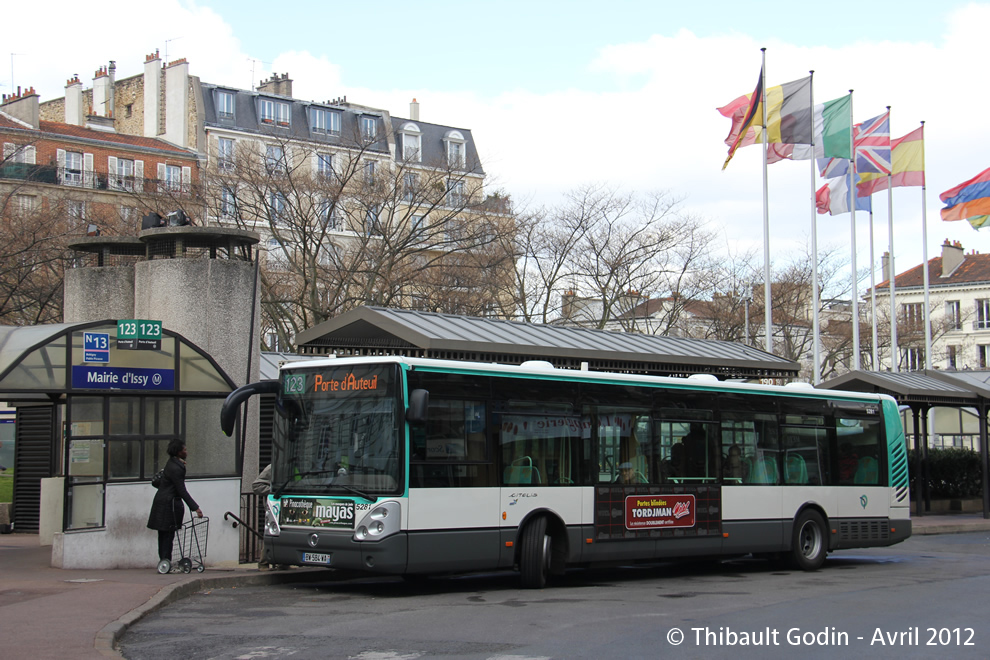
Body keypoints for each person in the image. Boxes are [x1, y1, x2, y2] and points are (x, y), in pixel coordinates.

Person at [147, 439, 203, 572]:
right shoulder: (176, 468)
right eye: (184, 450)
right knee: (167, 534)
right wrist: (195, 507)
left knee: (164, 534)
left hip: (163, 502)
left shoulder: (172, 464)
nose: (186, 452)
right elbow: (181, 489)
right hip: (168, 505)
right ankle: (165, 561)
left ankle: (165, 560)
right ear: (178, 452)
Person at [252, 464, 276, 570]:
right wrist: (274, 491)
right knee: (271, 534)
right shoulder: (273, 467)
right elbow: (256, 486)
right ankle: (263, 562)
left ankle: (282, 563)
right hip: (274, 507)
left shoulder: (293, 467)